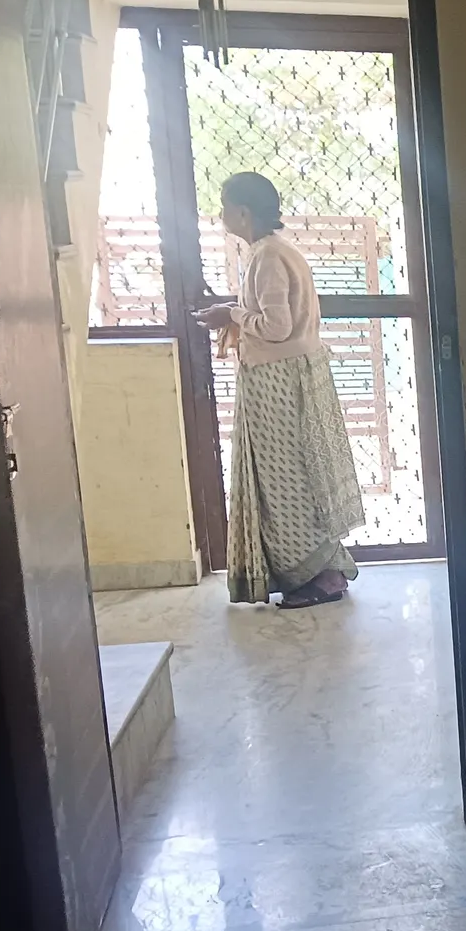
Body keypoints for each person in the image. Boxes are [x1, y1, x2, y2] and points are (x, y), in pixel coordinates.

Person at [194, 172, 365, 608]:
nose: (221, 215)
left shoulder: (269, 256)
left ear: (243, 212)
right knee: (298, 475)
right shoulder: (270, 252)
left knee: (285, 480)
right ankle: (321, 573)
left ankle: (317, 576)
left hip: (279, 383)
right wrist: (233, 310)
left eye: (225, 206)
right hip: (287, 377)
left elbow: (276, 327)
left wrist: (232, 315)